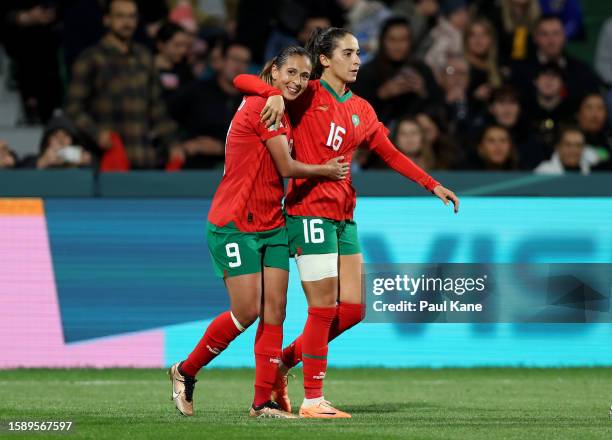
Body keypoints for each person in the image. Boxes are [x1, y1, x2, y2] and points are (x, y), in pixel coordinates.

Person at [234, 27, 459, 418]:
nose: (357, 61)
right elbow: (244, 79)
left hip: (343, 216)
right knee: (322, 308)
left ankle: (283, 365)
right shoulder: (306, 93)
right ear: (325, 59)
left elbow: (389, 153)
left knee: (353, 310)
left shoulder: (362, 108)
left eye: (358, 54)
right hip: (308, 212)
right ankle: (313, 399)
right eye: (349, 53)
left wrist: (432, 184)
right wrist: (272, 92)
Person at [167, 45, 349, 419]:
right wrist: (326, 171)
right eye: (290, 74)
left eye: (304, 75)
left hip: (272, 223)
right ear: (274, 71)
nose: (297, 82)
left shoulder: (273, 100)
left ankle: (261, 402)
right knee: (247, 310)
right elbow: (285, 166)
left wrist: (272, 92)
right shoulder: (264, 106)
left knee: (275, 312)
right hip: (235, 223)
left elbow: (243, 79)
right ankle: (185, 371)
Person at [65, 0, 178, 169]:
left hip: (144, 157)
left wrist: (172, 143)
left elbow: (157, 108)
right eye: (120, 16)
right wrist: (97, 134)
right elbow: (73, 108)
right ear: (107, 20)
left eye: (132, 17)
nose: (127, 22)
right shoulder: (91, 58)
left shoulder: (145, 57)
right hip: (106, 158)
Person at [168, 41, 251, 169]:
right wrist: (178, 145)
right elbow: (166, 116)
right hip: (194, 165)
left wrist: (221, 147)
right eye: (234, 59)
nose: (238, 66)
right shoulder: (198, 91)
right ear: (221, 61)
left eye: (244, 62)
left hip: (235, 168)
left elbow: (253, 142)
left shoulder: (251, 101)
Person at [352, 17, 441, 125]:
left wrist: (423, 93)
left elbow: (439, 110)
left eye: (403, 40)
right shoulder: (367, 73)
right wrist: (380, 95)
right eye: (392, 40)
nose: (398, 46)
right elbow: (355, 116)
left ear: (410, 41)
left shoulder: (422, 70)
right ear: (383, 41)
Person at [464, 17, 502, 107]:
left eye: (483, 35)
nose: (478, 40)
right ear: (465, 40)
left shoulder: (499, 68)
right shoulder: (460, 68)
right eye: (473, 35)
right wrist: (474, 97)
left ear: (491, 39)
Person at [154, 21, 194, 102]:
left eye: (185, 45)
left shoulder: (185, 71)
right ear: (161, 45)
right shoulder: (147, 69)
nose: (183, 50)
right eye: (177, 45)